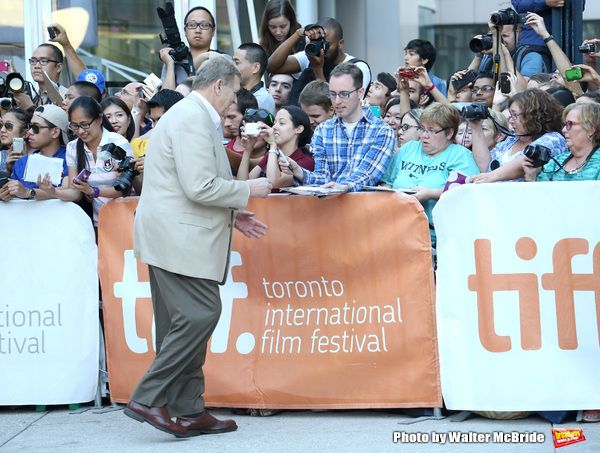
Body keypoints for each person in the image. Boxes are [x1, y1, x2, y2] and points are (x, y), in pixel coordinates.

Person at [124, 56, 271, 438]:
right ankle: (148, 396)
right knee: (200, 315)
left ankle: (189, 410)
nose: (235, 102)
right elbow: (200, 186)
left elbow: (186, 183)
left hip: (172, 234)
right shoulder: (191, 117)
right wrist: (248, 190)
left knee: (180, 323)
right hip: (178, 237)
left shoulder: (187, 115)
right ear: (219, 85)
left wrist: (234, 214)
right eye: (235, 91)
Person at [280, 63, 395, 192]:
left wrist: (344, 187)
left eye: (344, 94)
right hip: (330, 207)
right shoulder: (322, 130)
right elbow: (322, 177)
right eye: (333, 94)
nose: (337, 101)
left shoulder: (382, 131)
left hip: (364, 207)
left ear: (360, 93)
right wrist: (299, 171)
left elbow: (368, 174)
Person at [380, 103, 479, 246]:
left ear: (449, 133)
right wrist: (388, 191)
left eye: (431, 130)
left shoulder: (460, 156)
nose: (424, 136)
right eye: (422, 129)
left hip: (437, 236)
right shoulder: (409, 148)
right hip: (396, 227)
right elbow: (387, 181)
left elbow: (464, 193)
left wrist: (431, 193)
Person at [46, 96, 134, 227]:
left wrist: (93, 191)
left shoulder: (118, 143)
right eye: (74, 126)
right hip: (100, 221)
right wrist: (53, 192)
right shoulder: (73, 147)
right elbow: (75, 192)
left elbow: (122, 189)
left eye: (85, 124)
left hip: (127, 218)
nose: (80, 131)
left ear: (99, 119)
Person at [470, 88, 567, 183]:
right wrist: (476, 127)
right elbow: (485, 166)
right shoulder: (511, 140)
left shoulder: (554, 139)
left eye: (515, 115)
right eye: (510, 115)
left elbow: (525, 163)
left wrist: (491, 176)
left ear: (533, 116)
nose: (511, 121)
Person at [267, 18, 372, 101]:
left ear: (340, 44)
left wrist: (318, 71)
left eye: (327, 45)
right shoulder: (310, 56)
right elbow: (271, 66)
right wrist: (298, 34)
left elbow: (338, 105)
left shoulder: (357, 67)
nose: (323, 49)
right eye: (320, 43)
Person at [0, 105, 69, 201]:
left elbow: (69, 191)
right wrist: (5, 195)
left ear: (55, 132)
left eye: (35, 127)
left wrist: (29, 192)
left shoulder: (70, 157)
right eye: (30, 127)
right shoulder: (22, 162)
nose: (30, 132)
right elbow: (14, 195)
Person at [237, 105, 314, 189]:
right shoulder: (272, 155)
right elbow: (243, 184)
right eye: (274, 123)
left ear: (298, 129)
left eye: (281, 123)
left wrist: (273, 145)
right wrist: (248, 150)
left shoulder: (306, 161)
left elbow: (273, 183)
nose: (274, 127)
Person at [523, 102, 600, 181]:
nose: (563, 130)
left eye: (570, 124)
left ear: (591, 129)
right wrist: (532, 177)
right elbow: (541, 192)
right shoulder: (556, 162)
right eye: (565, 124)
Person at [160, 6, 217, 89]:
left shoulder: (220, 60)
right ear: (185, 31)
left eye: (204, 25)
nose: (198, 30)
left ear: (213, 31)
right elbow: (165, 100)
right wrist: (170, 64)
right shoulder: (174, 61)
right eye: (192, 25)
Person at [130, 90, 184, 158]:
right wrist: (136, 110)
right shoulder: (155, 139)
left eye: (160, 119)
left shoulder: (191, 140)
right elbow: (133, 148)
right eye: (153, 120)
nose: (156, 126)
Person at [233, 43, 276, 114]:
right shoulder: (234, 91)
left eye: (237, 63)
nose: (232, 66)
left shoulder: (263, 99)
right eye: (232, 62)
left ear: (255, 67)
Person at [0, 108, 32, 174]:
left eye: (8, 126)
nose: (2, 130)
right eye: (1, 125)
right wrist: (7, 171)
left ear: (25, 133)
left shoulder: (38, 156)